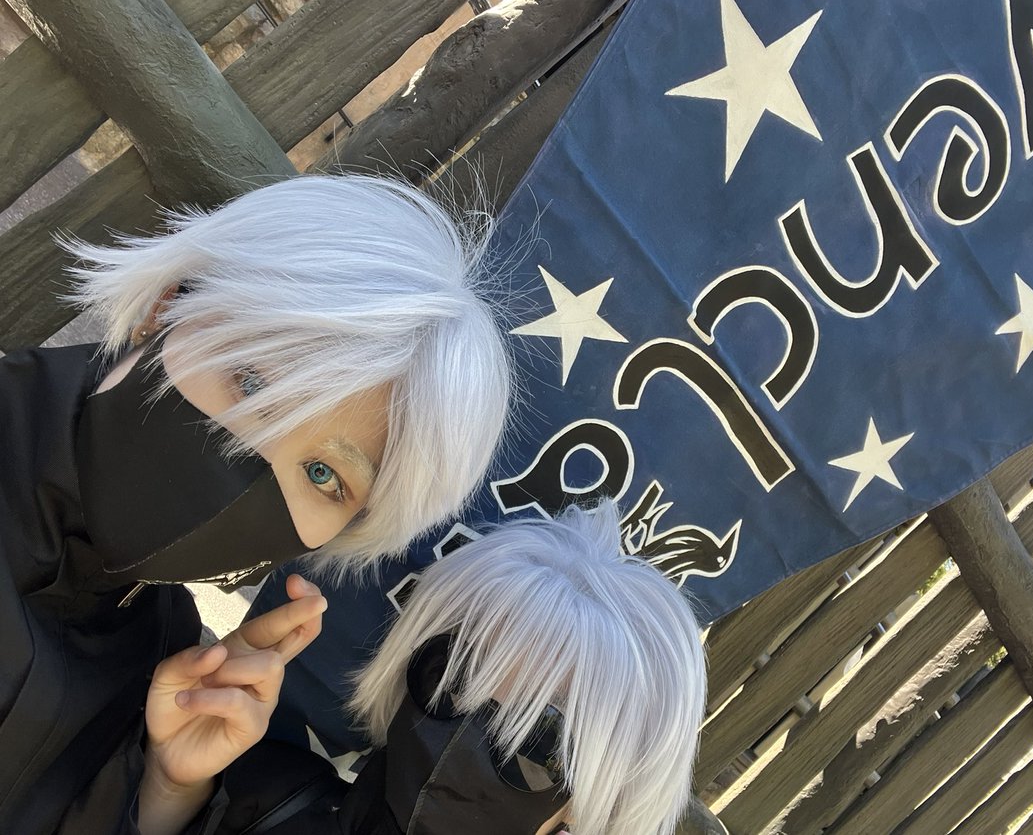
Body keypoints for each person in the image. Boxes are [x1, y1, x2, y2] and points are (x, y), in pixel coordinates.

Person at [0, 175, 512, 833]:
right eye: (252, 383)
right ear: (168, 305)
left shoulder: (160, 655)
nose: (256, 464)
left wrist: (163, 790)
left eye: (324, 475)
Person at [139, 502, 708, 835]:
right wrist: (168, 792)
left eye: (534, 743)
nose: (458, 743)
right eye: (450, 679)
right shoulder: (262, 798)